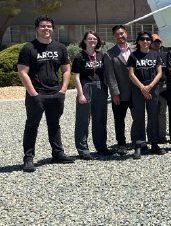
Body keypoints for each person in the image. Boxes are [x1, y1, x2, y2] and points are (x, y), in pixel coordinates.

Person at [18, 15, 74, 172]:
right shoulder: (29, 48)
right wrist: (33, 93)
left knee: (54, 125)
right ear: (36, 28)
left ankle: (58, 154)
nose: (46, 29)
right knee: (32, 125)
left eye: (49, 26)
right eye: (42, 26)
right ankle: (28, 158)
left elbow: (66, 69)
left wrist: (63, 89)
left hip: (56, 93)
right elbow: (22, 72)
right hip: (37, 95)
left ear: (52, 28)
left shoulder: (60, 47)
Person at [73, 30, 112, 160]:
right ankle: (83, 149)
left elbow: (106, 74)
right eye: (89, 38)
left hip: (100, 87)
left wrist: (108, 89)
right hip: (86, 86)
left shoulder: (101, 55)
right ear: (84, 41)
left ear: (98, 41)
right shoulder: (80, 56)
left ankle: (101, 146)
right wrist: (80, 94)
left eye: (95, 39)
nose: (92, 41)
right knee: (83, 120)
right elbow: (76, 77)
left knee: (100, 119)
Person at [127, 31, 166, 158]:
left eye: (148, 39)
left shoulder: (155, 55)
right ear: (138, 41)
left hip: (152, 87)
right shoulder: (133, 56)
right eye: (142, 39)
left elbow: (159, 73)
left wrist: (149, 87)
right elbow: (131, 74)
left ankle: (154, 143)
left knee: (153, 115)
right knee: (138, 117)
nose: (145, 41)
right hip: (138, 88)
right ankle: (139, 144)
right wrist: (142, 87)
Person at [105, 25, 136, 156]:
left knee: (138, 118)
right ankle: (121, 144)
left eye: (122, 33)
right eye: (117, 34)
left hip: (136, 92)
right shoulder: (109, 54)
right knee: (119, 120)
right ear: (114, 37)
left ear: (126, 34)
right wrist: (114, 93)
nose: (120, 36)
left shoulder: (136, 48)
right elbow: (110, 76)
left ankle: (138, 141)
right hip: (120, 94)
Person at [150, 34, 169, 144]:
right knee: (152, 112)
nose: (157, 43)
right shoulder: (148, 55)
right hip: (151, 86)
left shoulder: (165, 55)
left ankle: (162, 135)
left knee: (162, 112)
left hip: (163, 86)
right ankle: (152, 135)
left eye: (158, 41)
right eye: (154, 41)